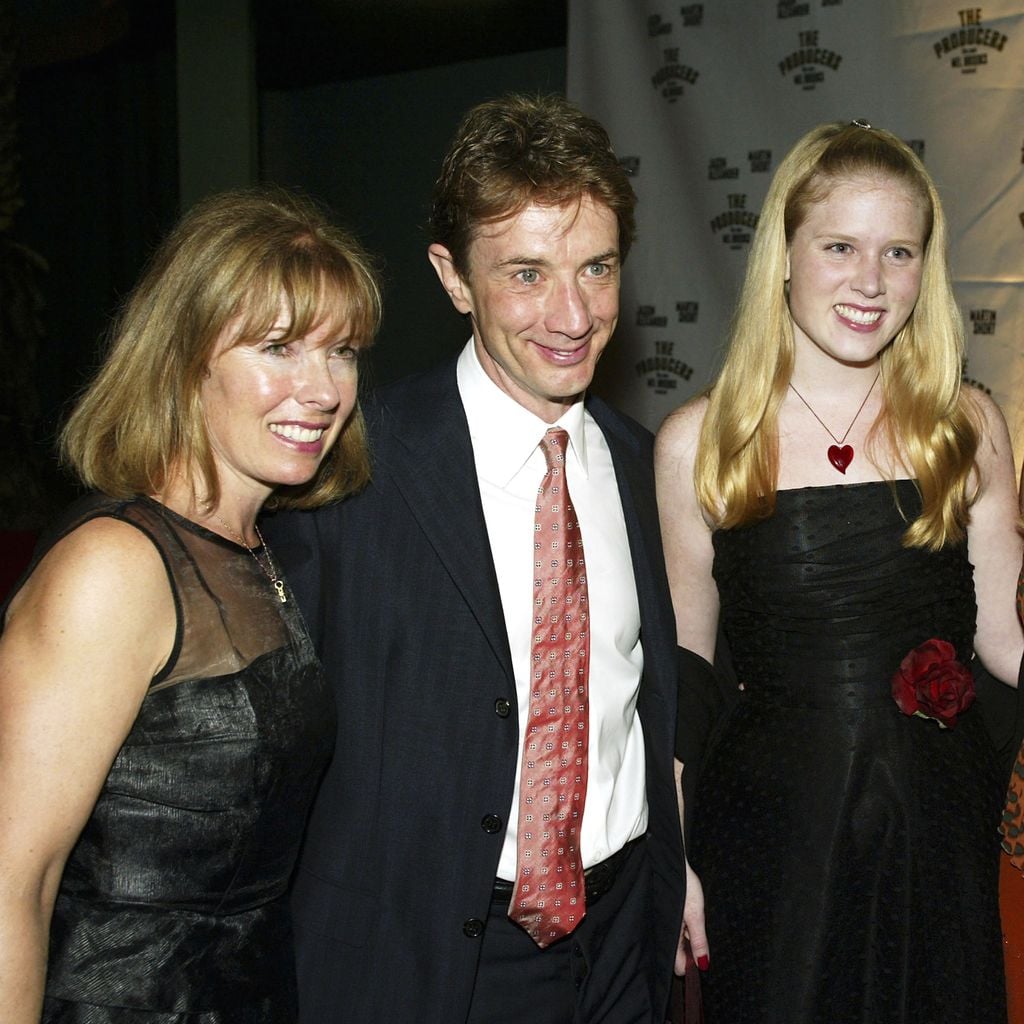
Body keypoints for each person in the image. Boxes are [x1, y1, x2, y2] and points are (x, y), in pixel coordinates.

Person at [262, 93, 689, 1023]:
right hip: (427, 962)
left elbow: (651, 700)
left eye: (597, 268)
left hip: (622, 942)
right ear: (453, 279)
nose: (572, 314)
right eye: (527, 274)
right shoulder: (347, 468)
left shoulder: (643, 465)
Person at [655, 120, 1023, 1023]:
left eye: (898, 251)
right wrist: (671, 860)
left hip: (938, 835)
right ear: (782, 254)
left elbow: (1007, 641)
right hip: (773, 843)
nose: (871, 281)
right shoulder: (701, 443)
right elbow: (686, 674)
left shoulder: (966, 425)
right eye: (840, 247)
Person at [0, 187, 382, 1023]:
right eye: (278, 347)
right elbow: (12, 883)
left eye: (343, 351)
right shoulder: (115, 567)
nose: (321, 389)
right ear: (184, 357)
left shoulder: (260, 550)